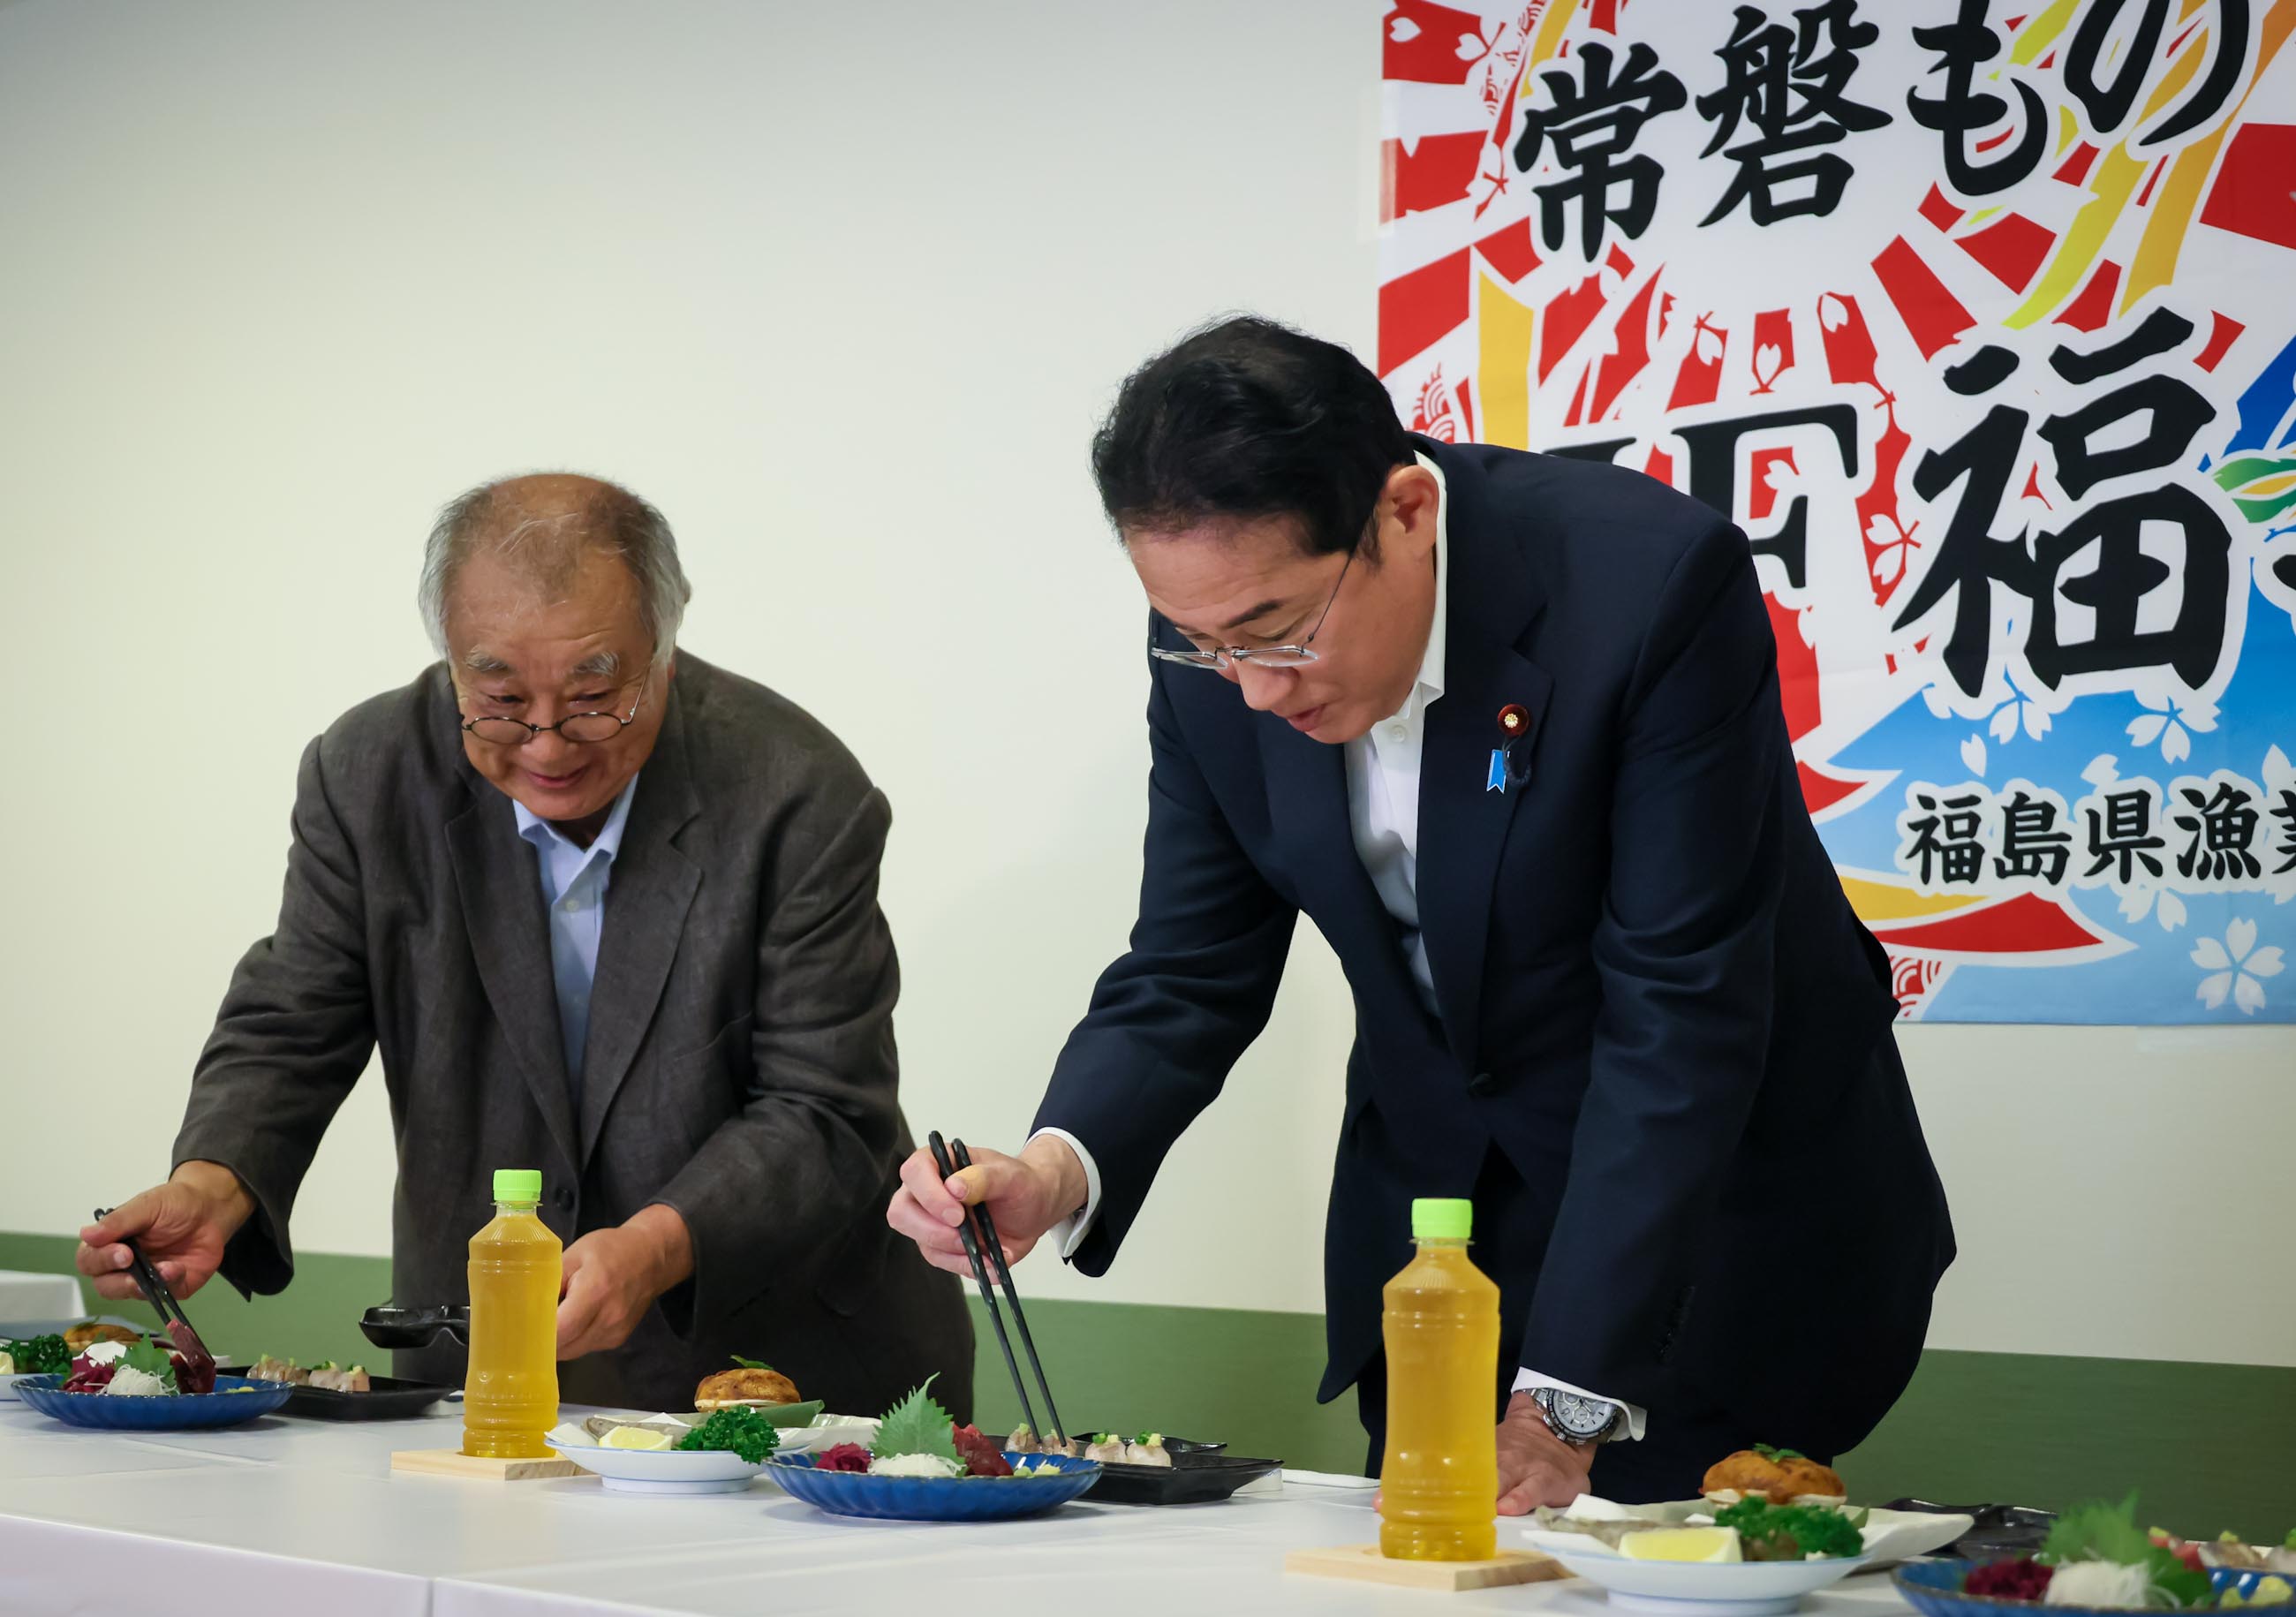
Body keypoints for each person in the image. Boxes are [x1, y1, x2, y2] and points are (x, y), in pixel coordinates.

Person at [888, 318, 1952, 1506]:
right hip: (1436, 1237)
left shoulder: (1647, 584)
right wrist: (1054, 1164)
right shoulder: (1217, 632)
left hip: (1707, 1224)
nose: (1252, 683)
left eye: (1281, 629)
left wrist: (1562, 1404)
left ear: (1405, 512)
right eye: (1208, 645)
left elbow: (1682, 1005)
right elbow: (1192, 961)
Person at [79, 474, 972, 1416]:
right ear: (451, 664)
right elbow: (294, 1018)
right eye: (498, 697)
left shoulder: (796, 791)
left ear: (663, 651)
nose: (547, 744)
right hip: (488, 1352)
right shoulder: (368, 774)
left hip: (777, 1368)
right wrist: (213, 1184)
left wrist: (655, 1245)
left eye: (595, 695)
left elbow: (824, 1107)